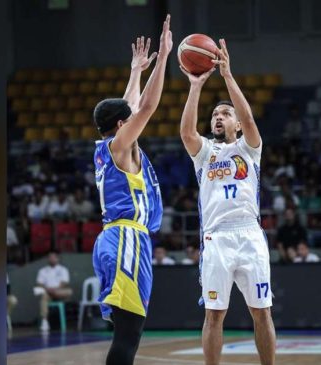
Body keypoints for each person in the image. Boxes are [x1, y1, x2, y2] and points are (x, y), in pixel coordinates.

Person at [179, 38, 276, 365]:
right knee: (213, 315)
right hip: (217, 237)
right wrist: (195, 86)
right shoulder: (206, 153)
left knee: (262, 312)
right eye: (216, 114)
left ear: (236, 123)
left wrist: (228, 76)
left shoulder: (250, 149)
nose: (219, 117)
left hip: (249, 234)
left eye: (225, 113)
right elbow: (187, 133)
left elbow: (250, 120)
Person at [91, 15, 171, 365]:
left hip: (122, 238)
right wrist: (165, 56)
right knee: (129, 333)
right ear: (122, 126)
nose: (135, 116)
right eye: (129, 118)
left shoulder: (114, 143)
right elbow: (146, 107)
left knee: (128, 330)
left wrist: (136, 70)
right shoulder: (119, 146)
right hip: (125, 240)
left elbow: (131, 107)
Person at [35, 251, 73, 332]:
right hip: (47, 292)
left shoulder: (63, 269)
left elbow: (65, 282)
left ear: (57, 259)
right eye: (50, 257)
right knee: (44, 296)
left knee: (69, 291)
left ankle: (53, 293)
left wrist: (55, 289)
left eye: (53, 257)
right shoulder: (43, 271)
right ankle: (45, 321)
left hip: (59, 292)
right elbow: (39, 283)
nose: (51, 259)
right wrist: (47, 289)